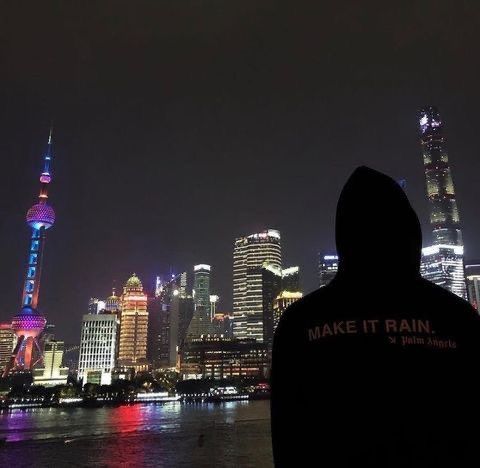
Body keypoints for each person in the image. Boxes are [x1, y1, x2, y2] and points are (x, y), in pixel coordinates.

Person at [271, 166, 480, 467]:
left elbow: (288, 442)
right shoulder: (458, 319)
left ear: (344, 235)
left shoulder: (300, 323)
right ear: (410, 232)